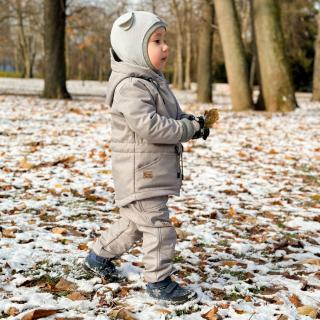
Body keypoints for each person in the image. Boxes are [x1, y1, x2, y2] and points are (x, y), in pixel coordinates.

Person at [83, 11, 209, 304]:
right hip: (141, 172)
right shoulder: (131, 86)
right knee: (158, 228)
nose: (165, 47)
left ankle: (97, 257)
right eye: (156, 41)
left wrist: (192, 122)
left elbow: (170, 117)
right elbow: (150, 126)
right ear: (134, 48)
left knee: (133, 225)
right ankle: (159, 282)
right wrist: (186, 129)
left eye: (164, 40)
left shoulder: (152, 81)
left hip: (147, 170)